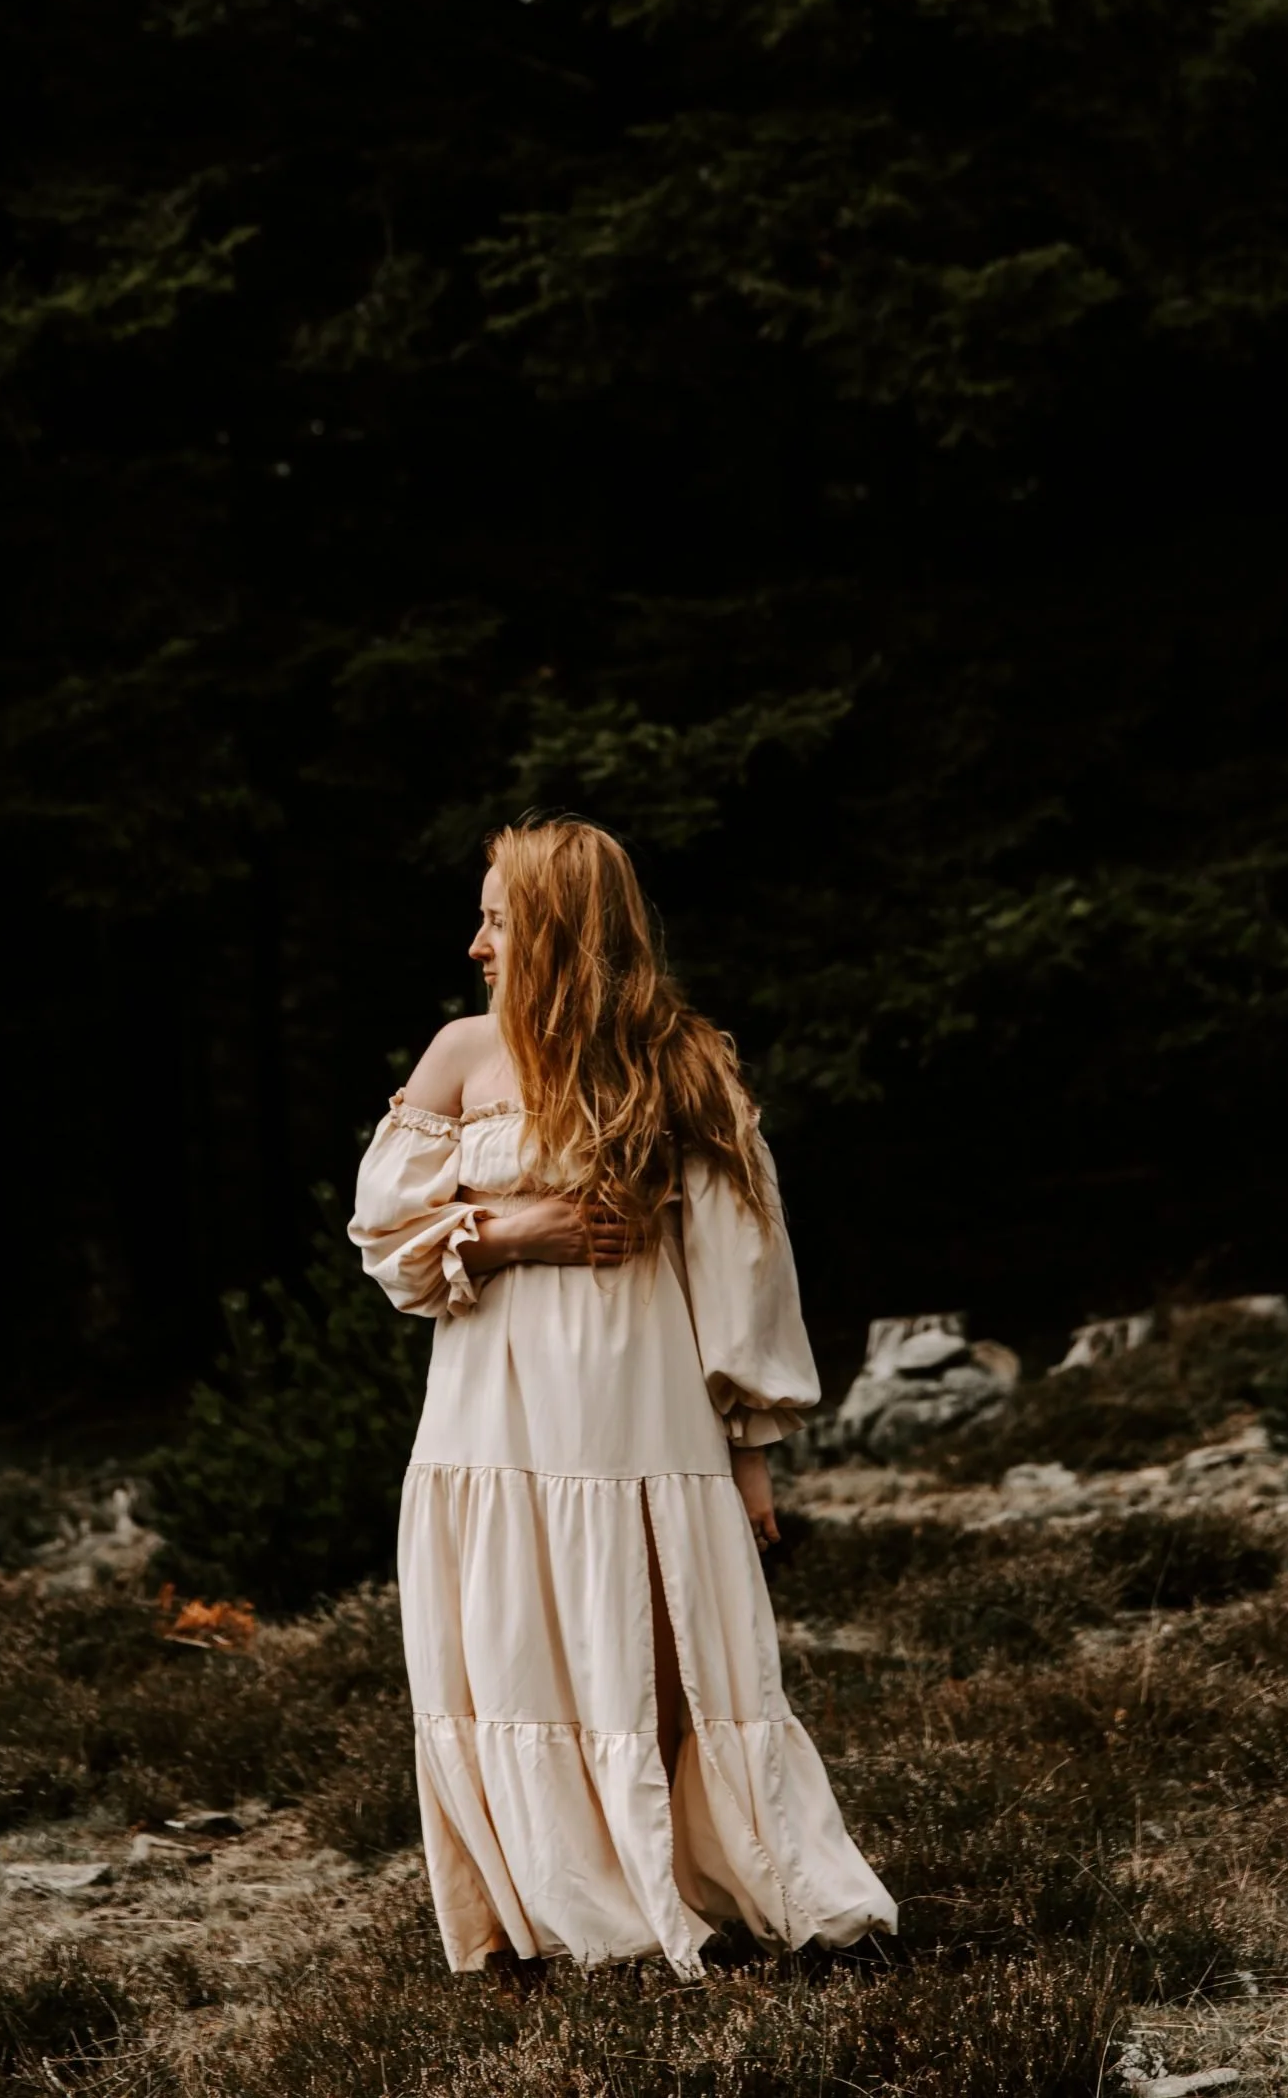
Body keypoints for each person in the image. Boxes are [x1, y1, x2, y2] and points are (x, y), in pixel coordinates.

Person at [348, 817, 896, 1981]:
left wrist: (749, 1454)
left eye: (496, 917)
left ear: (553, 928)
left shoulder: (682, 1063)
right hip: (492, 1421)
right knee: (513, 1658)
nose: (475, 943)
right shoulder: (459, 1055)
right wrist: (509, 1229)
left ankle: (726, 1890)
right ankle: (562, 1914)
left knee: (662, 1661)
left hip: (640, 1420)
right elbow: (387, 1245)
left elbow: (743, 1270)